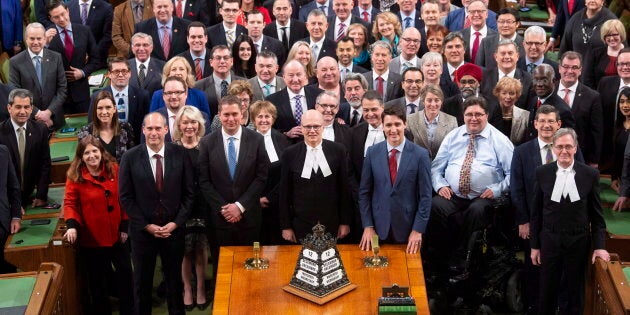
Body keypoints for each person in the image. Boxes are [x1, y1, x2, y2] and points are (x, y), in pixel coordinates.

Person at [119, 112, 194, 315]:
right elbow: (126, 198)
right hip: (143, 234)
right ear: (143, 130)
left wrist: (176, 223)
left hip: (173, 232)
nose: (154, 132)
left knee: (174, 284)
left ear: (166, 130)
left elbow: (189, 195)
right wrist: (147, 226)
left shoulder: (180, 154)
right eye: (149, 128)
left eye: (158, 128)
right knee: (142, 285)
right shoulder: (130, 157)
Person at [430, 96, 513, 275]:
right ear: (463, 115)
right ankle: (438, 258)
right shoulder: (453, 136)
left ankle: (462, 259)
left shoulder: (500, 140)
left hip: (483, 197)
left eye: (478, 114)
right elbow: (436, 168)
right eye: (469, 114)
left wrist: (497, 189)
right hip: (453, 195)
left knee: (477, 211)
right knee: (434, 206)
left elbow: (513, 174)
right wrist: (440, 185)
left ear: (487, 116)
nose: (473, 118)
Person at [530, 128, 610, 314]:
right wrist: (535, 246)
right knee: (547, 292)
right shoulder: (542, 172)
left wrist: (599, 246)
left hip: (579, 243)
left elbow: (597, 216)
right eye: (559, 147)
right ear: (553, 148)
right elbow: (536, 214)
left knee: (575, 294)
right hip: (550, 240)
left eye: (568, 146)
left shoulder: (590, 174)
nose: (564, 151)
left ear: (575, 148)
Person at [198, 95, 269, 286]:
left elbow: (261, 177)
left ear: (242, 114)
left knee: (250, 270)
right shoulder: (206, 142)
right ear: (219, 115)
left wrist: (240, 206)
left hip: (249, 218)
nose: (231, 119)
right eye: (226, 114)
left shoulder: (256, 140)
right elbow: (204, 181)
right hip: (220, 220)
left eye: (234, 114)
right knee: (224, 271)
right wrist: (225, 208)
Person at [63, 136, 133, 315]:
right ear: (81, 157)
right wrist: (71, 225)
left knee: (126, 274)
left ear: (101, 152)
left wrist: (125, 226)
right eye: (87, 153)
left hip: (118, 235)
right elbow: (70, 203)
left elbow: (124, 198)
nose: (92, 155)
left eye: (95, 151)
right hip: (92, 239)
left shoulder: (115, 169)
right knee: (98, 283)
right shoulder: (75, 176)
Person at [359, 105, 432, 254]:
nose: (393, 130)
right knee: (377, 269)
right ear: (382, 127)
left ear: (405, 124)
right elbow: (364, 193)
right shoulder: (372, 152)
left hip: (408, 230)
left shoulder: (420, 155)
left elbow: (425, 196)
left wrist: (417, 230)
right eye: (388, 125)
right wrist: (368, 226)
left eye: (397, 124)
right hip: (377, 229)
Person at [279, 110, 352, 241]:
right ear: (301, 128)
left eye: (316, 126)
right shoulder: (289, 153)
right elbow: (284, 192)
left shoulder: (338, 150)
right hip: (301, 224)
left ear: (323, 127)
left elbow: (344, 189)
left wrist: (345, 222)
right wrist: (286, 226)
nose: (312, 130)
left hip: (332, 223)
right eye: (307, 126)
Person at [171, 106, 210, 311]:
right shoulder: (172, 148)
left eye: (193, 122)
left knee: (200, 247)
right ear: (179, 125)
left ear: (199, 125)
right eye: (185, 122)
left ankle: (202, 287)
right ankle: (187, 288)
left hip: (203, 204)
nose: (189, 126)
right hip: (180, 206)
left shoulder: (207, 146)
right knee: (185, 250)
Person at [45, 0, 99, 114]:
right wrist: (45, 45)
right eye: (56, 17)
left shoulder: (84, 30)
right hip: (58, 97)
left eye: (63, 14)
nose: (61, 19)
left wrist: (83, 72)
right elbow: (41, 64)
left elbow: (96, 59)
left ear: (68, 11)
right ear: (50, 18)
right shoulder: (45, 36)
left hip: (81, 93)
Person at [9, 22, 67, 129]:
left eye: (39, 38)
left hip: (55, 119)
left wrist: (49, 112)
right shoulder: (15, 62)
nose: (35, 42)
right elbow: (15, 92)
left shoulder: (56, 57)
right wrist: (38, 114)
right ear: (26, 39)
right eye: (32, 38)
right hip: (30, 122)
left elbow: (62, 89)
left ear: (45, 39)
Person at [0, 89, 51, 208]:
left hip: (31, 196)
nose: (22, 111)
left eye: (26, 107)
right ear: (9, 108)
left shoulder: (40, 129)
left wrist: (41, 195)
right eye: (18, 107)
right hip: (7, 200)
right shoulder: (1, 133)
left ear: (31, 109)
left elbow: (45, 164)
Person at [250, 100, 290, 244]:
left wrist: (271, 197)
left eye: (267, 116)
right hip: (253, 204)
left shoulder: (281, 139)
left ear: (273, 119)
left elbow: (286, 172)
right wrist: (256, 199)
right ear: (253, 120)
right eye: (260, 116)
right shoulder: (246, 140)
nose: (264, 120)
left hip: (276, 202)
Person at [87, 57, 150, 143]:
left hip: (135, 144)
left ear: (130, 73)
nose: (120, 75)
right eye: (116, 71)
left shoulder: (142, 95)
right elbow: (92, 124)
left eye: (124, 71)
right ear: (109, 74)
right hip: (108, 145)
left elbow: (147, 124)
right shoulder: (96, 96)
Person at [557, 51, 603, 167]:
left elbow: (596, 132)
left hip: (581, 158)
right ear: (559, 68)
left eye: (574, 67)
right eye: (566, 67)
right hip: (552, 156)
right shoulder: (549, 91)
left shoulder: (592, 97)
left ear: (580, 70)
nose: (570, 71)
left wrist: (593, 161)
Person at [267, 60, 322, 141]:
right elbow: (267, 129)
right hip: (286, 148)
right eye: (291, 75)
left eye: (299, 74)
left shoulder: (319, 95)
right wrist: (285, 134)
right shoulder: (272, 101)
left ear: (305, 76)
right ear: (284, 77)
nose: (295, 79)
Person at [79, 91, 135, 162]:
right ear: (95, 110)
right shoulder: (85, 132)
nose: (104, 112)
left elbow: (132, 157)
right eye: (100, 108)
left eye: (108, 107)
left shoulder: (125, 128)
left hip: (122, 172)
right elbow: (83, 160)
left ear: (114, 109)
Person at [194, 45, 246, 120]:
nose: (222, 61)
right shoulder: (198, 86)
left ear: (231, 61)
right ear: (211, 62)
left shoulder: (244, 83)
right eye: (218, 58)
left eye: (226, 58)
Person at [406, 85, 458, 159]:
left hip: (442, 166)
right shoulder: (411, 119)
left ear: (441, 102)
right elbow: (407, 148)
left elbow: (454, 149)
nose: (433, 104)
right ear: (423, 101)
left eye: (437, 100)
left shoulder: (451, 121)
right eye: (429, 100)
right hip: (417, 165)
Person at [526, 64, 575, 140]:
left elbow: (566, 142)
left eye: (544, 80)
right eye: (536, 80)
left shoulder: (563, 111)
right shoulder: (534, 101)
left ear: (553, 81)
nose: (539, 84)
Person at [67, 0, 112, 68]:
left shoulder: (106, 7)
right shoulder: (68, 6)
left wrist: (92, 53)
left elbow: (108, 35)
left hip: (98, 61)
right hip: (74, 64)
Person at [583, 19, 627, 89]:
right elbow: (587, 78)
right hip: (599, 95)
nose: (611, 38)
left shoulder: (628, 53)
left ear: (621, 34)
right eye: (608, 35)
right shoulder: (595, 53)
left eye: (615, 34)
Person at [0, 143, 20, 274]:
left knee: (7, 267)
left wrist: (16, 216)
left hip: (3, 222)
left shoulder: (3, 151)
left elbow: (14, 186)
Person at [128, 32, 166, 97]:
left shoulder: (163, 66)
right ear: (132, 48)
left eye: (145, 45)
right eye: (137, 45)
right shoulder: (125, 66)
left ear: (151, 48)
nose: (141, 49)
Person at [493, 77, 529, 145]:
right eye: (504, 93)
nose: (508, 97)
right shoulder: (490, 114)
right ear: (498, 94)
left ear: (517, 95)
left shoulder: (525, 115)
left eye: (511, 93)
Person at [611, 88, 630, 194]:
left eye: (629, 101)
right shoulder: (618, 126)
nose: (625, 105)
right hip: (620, 181)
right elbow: (616, 155)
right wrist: (614, 178)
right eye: (622, 102)